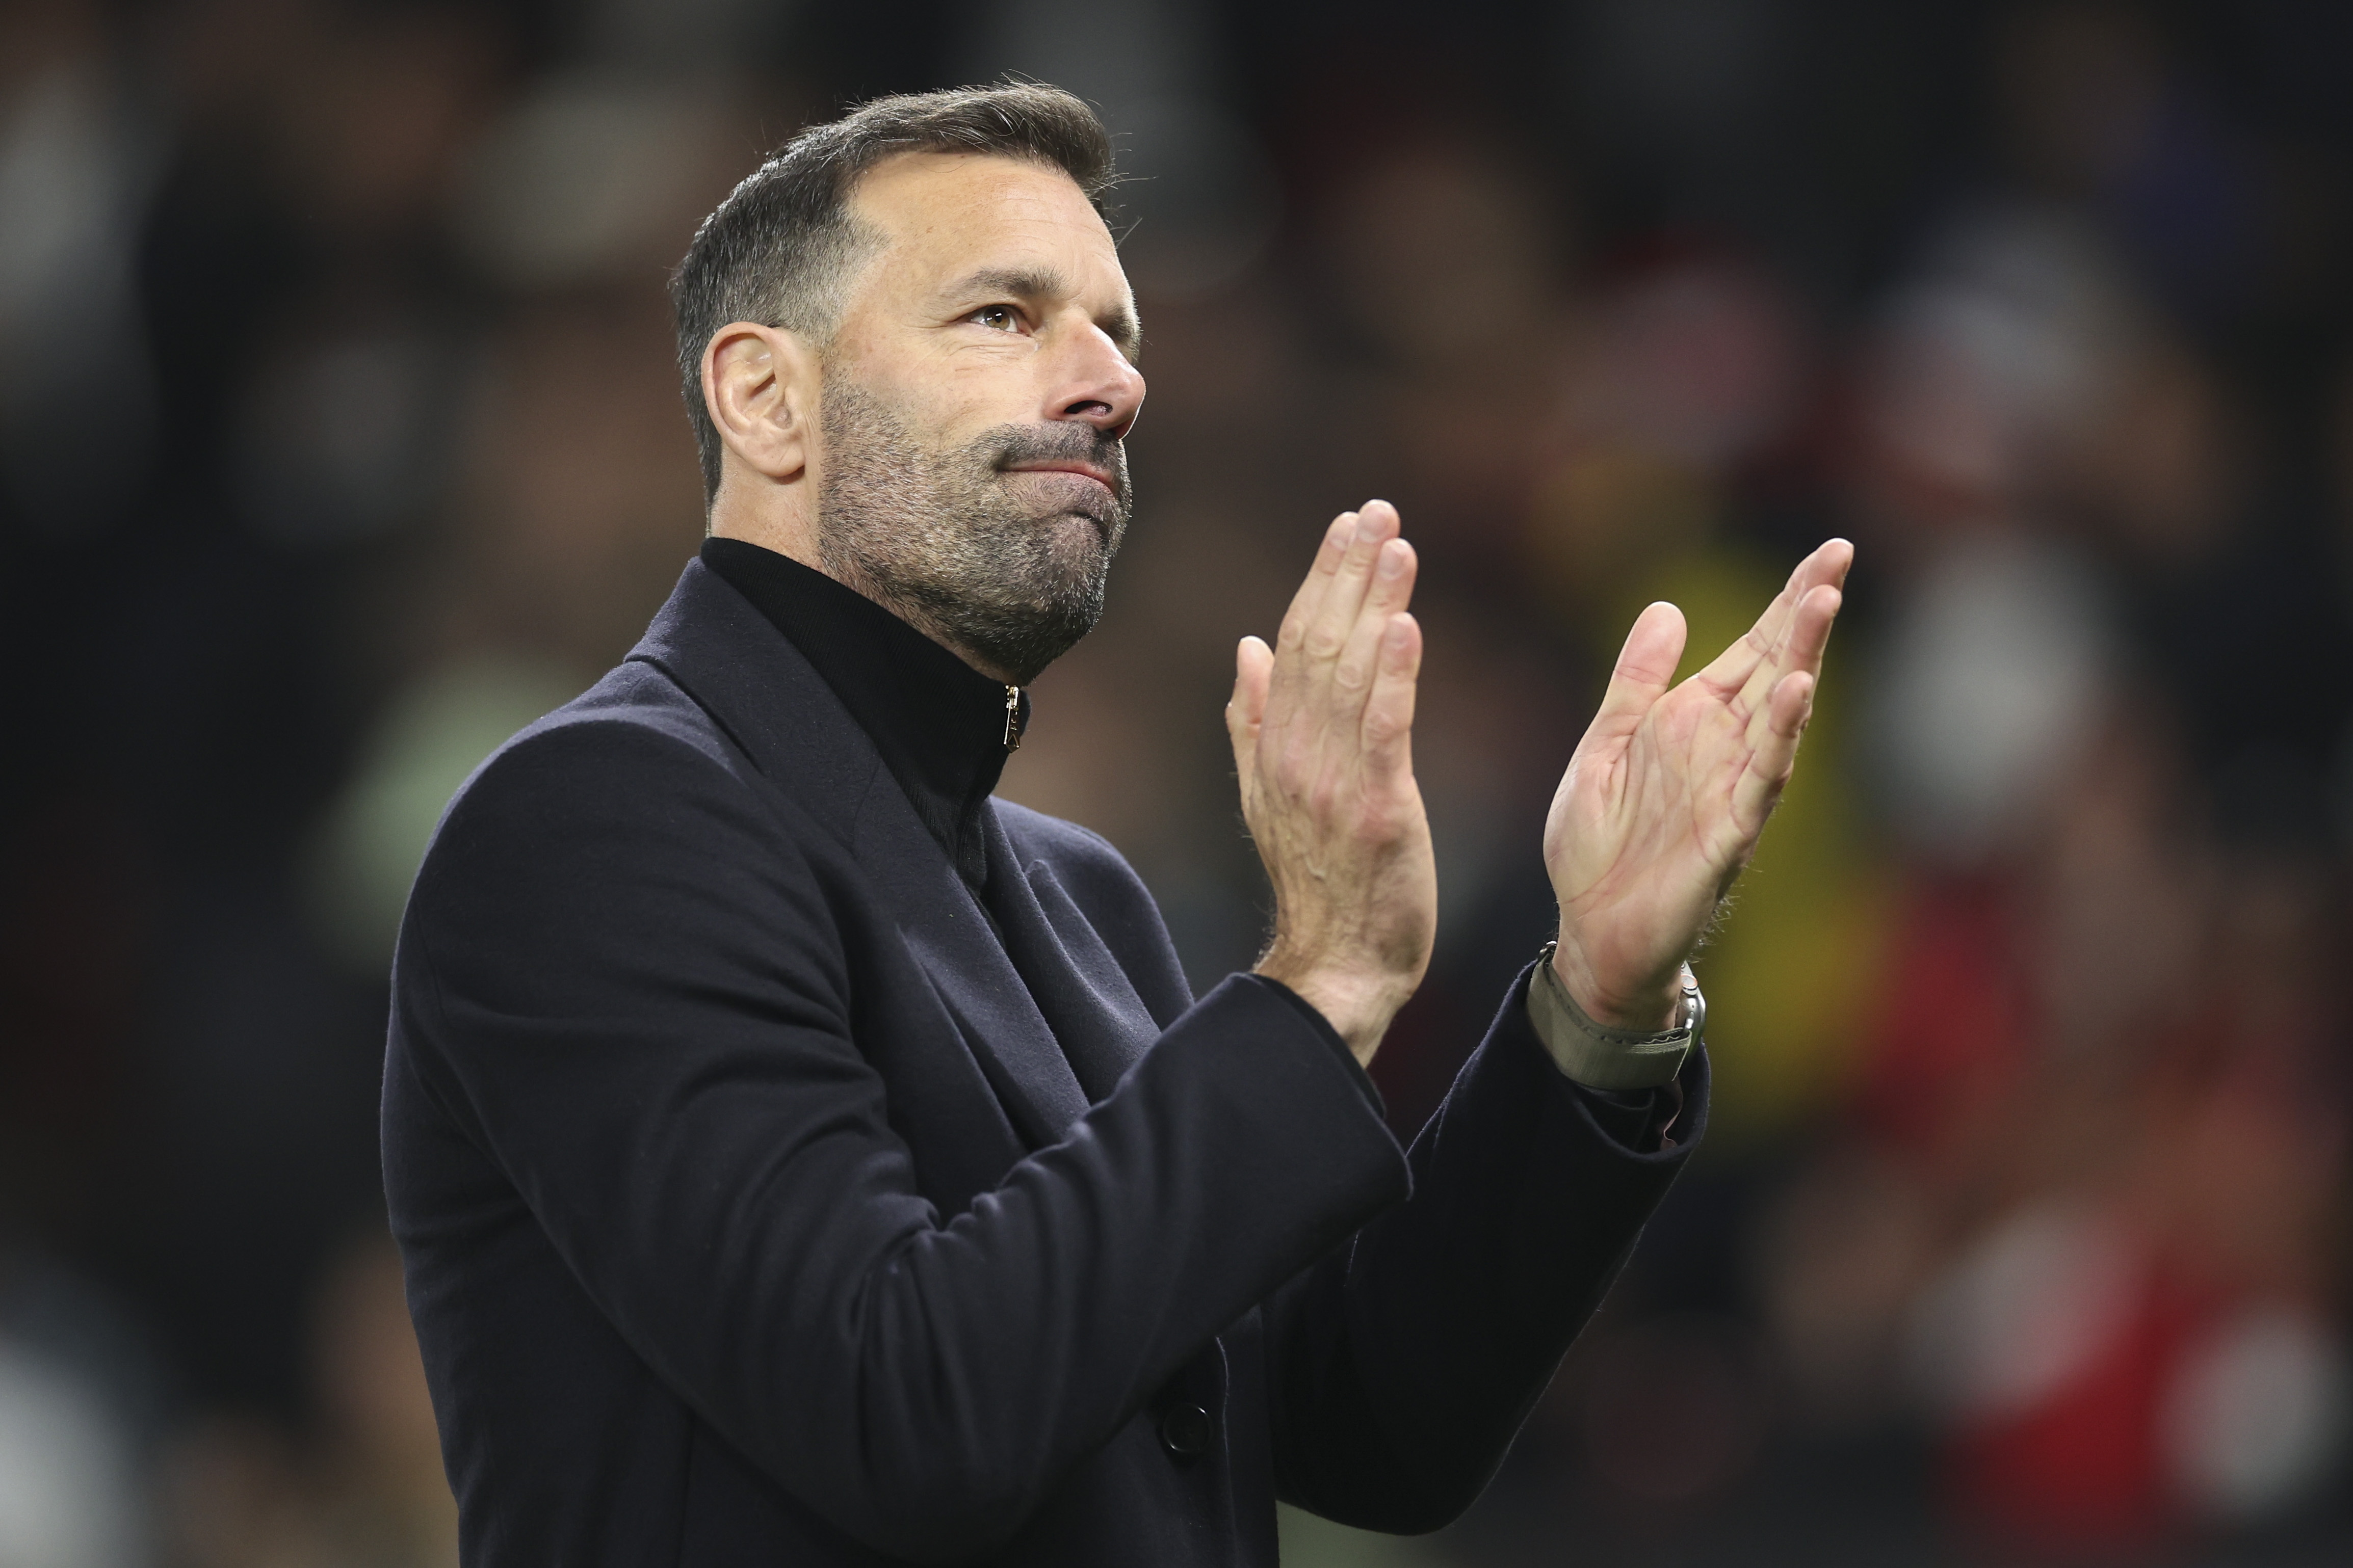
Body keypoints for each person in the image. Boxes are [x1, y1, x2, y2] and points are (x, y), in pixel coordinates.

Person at [381, 84, 1848, 1566]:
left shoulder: (1080, 896)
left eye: (1119, 334)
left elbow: (1368, 1429)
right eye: (1005, 317)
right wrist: (1323, 979)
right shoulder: (599, 821)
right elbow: (905, 1412)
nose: (1110, 384)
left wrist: (1597, 1005)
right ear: (766, 398)